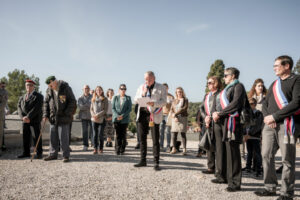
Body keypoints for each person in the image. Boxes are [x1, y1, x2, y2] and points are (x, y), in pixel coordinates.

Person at [255, 55, 300, 200]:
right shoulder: (275, 84)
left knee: (287, 159)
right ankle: (270, 187)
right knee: (266, 155)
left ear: (287, 66)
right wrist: (269, 118)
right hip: (270, 125)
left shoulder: (297, 80)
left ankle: (287, 192)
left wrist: (275, 116)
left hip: (287, 125)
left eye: (277, 65)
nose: (274, 68)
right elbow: (265, 104)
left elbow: (296, 103)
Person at [212, 67, 246, 192]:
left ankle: (235, 182)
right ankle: (224, 177)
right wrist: (215, 114)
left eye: (226, 75)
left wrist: (219, 113)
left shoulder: (239, 87)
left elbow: (236, 103)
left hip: (232, 122)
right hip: (222, 122)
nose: (224, 77)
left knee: (233, 152)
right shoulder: (225, 89)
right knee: (224, 151)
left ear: (233, 76)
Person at [134, 71, 167, 171]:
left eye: (149, 79)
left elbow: (164, 101)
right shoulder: (141, 87)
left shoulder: (161, 87)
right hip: (142, 114)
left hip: (154, 115)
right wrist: (142, 95)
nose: (147, 81)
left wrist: (154, 103)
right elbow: (135, 99)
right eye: (145, 79)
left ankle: (156, 162)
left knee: (155, 139)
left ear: (154, 78)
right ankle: (143, 160)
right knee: (142, 139)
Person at [43, 76, 76, 162]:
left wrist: (67, 113)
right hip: (53, 117)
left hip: (64, 117)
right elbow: (46, 103)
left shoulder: (65, 88)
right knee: (53, 137)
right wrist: (45, 114)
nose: (50, 87)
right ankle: (53, 154)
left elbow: (72, 101)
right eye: (49, 86)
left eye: (51, 85)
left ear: (54, 82)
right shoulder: (49, 90)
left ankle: (65, 155)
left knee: (63, 137)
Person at [200, 76, 222, 174]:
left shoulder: (221, 94)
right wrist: (205, 117)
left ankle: (219, 169)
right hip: (208, 122)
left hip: (218, 123)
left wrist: (213, 117)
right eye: (208, 83)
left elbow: (222, 108)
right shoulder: (206, 95)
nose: (208, 84)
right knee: (209, 145)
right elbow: (201, 108)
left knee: (218, 146)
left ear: (216, 83)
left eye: (210, 82)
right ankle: (210, 167)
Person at [17, 80, 44, 159]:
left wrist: (28, 117)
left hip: (34, 120)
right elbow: (19, 107)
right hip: (25, 120)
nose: (28, 87)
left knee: (36, 136)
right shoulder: (22, 97)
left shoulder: (39, 96)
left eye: (30, 85)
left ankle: (39, 153)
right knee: (26, 137)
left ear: (33, 86)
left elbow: (37, 108)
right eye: (27, 85)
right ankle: (26, 152)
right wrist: (22, 117)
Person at [243, 98, 263, 177]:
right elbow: (244, 125)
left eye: (252, 103)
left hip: (255, 136)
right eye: (249, 104)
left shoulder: (259, 113)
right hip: (248, 137)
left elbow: (258, 126)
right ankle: (248, 167)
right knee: (249, 153)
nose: (250, 105)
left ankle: (258, 169)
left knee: (257, 153)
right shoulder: (247, 113)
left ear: (255, 104)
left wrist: (250, 134)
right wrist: (245, 134)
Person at [112, 84, 132, 155]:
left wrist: (122, 116)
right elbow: (113, 108)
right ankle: (117, 149)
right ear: (119, 90)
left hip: (124, 119)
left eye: (124, 89)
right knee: (117, 135)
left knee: (123, 135)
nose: (123, 90)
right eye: (121, 88)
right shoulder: (115, 98)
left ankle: (122, 149)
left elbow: (129, 109)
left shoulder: (128, 98)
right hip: (116, 119)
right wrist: (117, 115)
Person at [170, 87, 189, 155]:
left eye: (181, 92)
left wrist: (176, 114)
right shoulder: (174, 100)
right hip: (175, 118)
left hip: (183, 118)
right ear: (176, 93)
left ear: (182, 92)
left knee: (183, 133)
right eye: (178, 92)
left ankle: (184, 149)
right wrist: (174, 116)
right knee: (174, 133)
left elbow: (184, 108)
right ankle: (174, 148)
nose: (179, 93)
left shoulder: (185, 100)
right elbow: (172, 109)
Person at [90, 86, 108, 154]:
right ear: (95, 91)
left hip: (101, 119)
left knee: (100, 134)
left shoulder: (105, 99)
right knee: (95, 134)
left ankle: (101, 148)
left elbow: (105, 110)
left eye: (100, 90)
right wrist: (93, 115)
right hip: (94, 119)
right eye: (97, 90)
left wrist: (98, 115)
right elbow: (91, 109)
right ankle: (95, 148)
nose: (98, 91)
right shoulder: (93, 99)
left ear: (102, 91)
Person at [159, 83, 174, 153]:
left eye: (166, 88)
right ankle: (161, 146)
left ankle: (168, 146)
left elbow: (173, 106)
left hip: (168, 115)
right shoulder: (160, 96)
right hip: (161, 115)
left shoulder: (171, 96)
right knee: (161, 131)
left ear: (168, 88)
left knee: (168, 131)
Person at [78, 85, 93, 151]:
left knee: (93, 131)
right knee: (85, 131)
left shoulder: (93, 97)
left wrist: (85, 105)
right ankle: (85, 145)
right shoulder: (80, 98)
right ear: (83, 89)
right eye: (85, 88)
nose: (86, 89)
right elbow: (81, 107)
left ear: (89, 89)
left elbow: (93, 105)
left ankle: (94, 144)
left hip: (91, 116)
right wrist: (89, 105)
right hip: (83, 117)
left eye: (87, 88)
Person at [0, 81, 8, 156]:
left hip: (0, 113)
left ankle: (1, 147)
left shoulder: (4, 92)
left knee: (0, 132)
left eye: (3, 86)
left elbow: (4, 103)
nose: (3, 88)